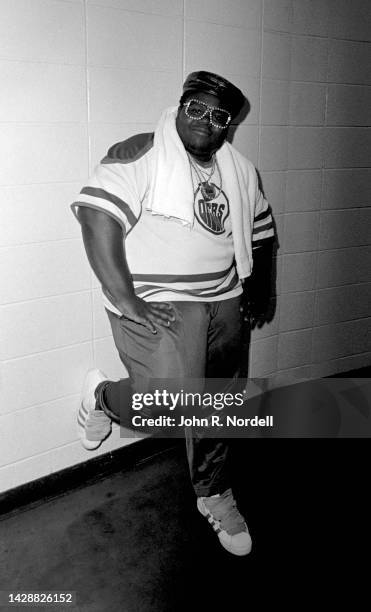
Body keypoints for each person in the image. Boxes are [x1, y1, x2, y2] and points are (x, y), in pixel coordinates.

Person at [71, 71, 274, 557]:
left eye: (218, 115)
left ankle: (215, 494)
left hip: (222, 298)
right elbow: (97, 215)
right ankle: (101, 397)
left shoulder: (238, 169)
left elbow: (262, 229)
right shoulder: (142, 152)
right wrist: (126, 300)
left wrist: (260, 288)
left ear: (228, 125)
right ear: (181, 107)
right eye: (196, 108)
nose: (206, 121)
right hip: (160, 301)